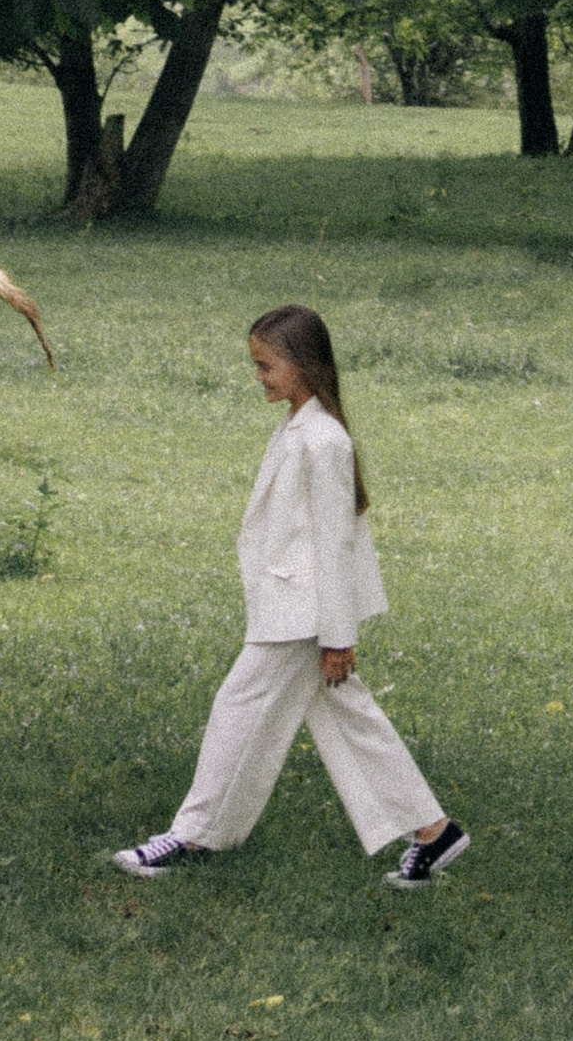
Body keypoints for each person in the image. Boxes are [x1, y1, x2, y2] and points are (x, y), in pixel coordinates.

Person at [113, 303, 466, 887]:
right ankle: (433, 831)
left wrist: (337, 638)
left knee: (238, 707)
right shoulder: (301, 425)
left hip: (303, 614)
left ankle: (193, 835)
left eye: (265, 365)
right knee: (349, 717)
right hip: (295, 606)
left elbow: (335, 546)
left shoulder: (323, 440)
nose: (258, 376)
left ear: (302, 365)